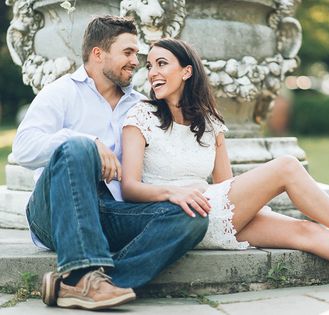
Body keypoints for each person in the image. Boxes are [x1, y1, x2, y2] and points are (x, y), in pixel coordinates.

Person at [121, 38, 329, 288]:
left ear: (186, 71)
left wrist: (263, 210)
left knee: (307, 230)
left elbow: (227, 188)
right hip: (178, 217)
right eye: (149, 65)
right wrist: (172, 193)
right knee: (286, 165)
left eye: (161, 63)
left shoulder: (210, 124)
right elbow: (130, 187)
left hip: (215, 209)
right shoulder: (141, 117)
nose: (152, 72)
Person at [12, 17, 208, 311]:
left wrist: (174, 192)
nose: (136, 61)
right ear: (98, 54)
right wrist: (89, 141)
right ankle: (81, 272)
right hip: (53, 211)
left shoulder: (141, 106)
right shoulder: (61, 92)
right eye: (128, 52)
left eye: (136, 54)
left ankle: (89, 283)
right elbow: (23, 149)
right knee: (77, 147)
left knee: (192, 217)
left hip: (109, 211)